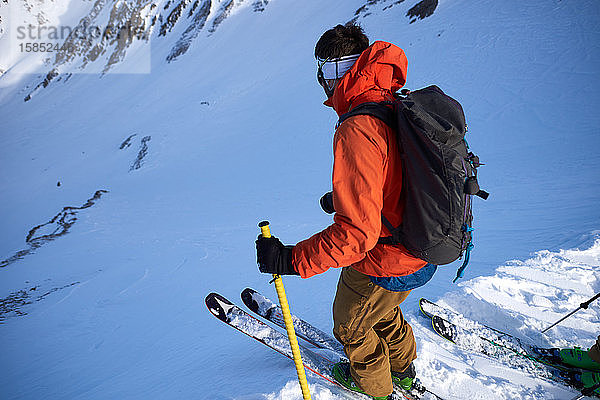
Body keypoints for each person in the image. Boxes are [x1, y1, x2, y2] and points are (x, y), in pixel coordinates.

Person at [256, 23, 437, 400]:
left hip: (388, 256)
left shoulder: (358, 127)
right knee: (383, 311)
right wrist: (344, 198)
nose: (322, 84)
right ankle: (403, 370)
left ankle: (377, 390)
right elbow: (393, 176)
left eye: (323, 73)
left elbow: (357, 235)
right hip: (422, 245)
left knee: (352, 325)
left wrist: (290, 259)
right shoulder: (391, 102)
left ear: (340, 71)